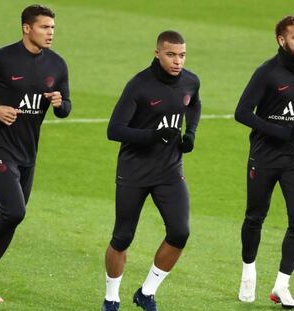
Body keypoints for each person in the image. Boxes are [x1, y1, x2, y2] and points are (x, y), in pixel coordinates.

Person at [0, 4, 71, 302]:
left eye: (52, 28)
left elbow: (65, 109)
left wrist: (61, 103)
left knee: (13, 218)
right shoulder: (0, 58)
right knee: (14, 210)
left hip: (27, 153)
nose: (50, 33)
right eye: (44, 27)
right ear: (26, 28)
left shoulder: (57, 65)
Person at [102, 30, 201, 311]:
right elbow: (114, 130)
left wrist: (190, 133)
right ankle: (111, 298)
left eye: (181, 55)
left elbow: (194, 104)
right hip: (134, 171)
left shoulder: (191, 81)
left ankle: (147, 292)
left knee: (180, 232)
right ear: (157, 53)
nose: (177, 61)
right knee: (122, 237)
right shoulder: (139, 86)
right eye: (171, 54)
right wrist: (153, 135)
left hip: (170, 171)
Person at [234, 15, 294, 309]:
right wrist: (278, 131)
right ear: (281, 40)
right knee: (255, 217)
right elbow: (242, 112)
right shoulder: (267, 73)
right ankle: (248, 273)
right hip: (265, 156)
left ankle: (282, 285)